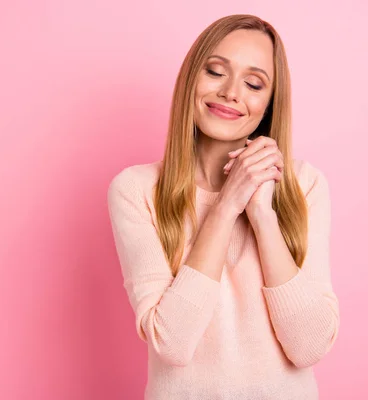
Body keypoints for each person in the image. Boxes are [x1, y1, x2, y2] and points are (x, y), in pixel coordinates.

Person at [106, 14, 340, 400]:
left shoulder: (304, 185)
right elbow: (172, 344)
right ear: (190, 80)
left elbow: (310, 347)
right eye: (215, 72)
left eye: (253, 83)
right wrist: (227, 205)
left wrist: (262, 215)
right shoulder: (135, 190)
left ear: (269, 104)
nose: (232, 92)